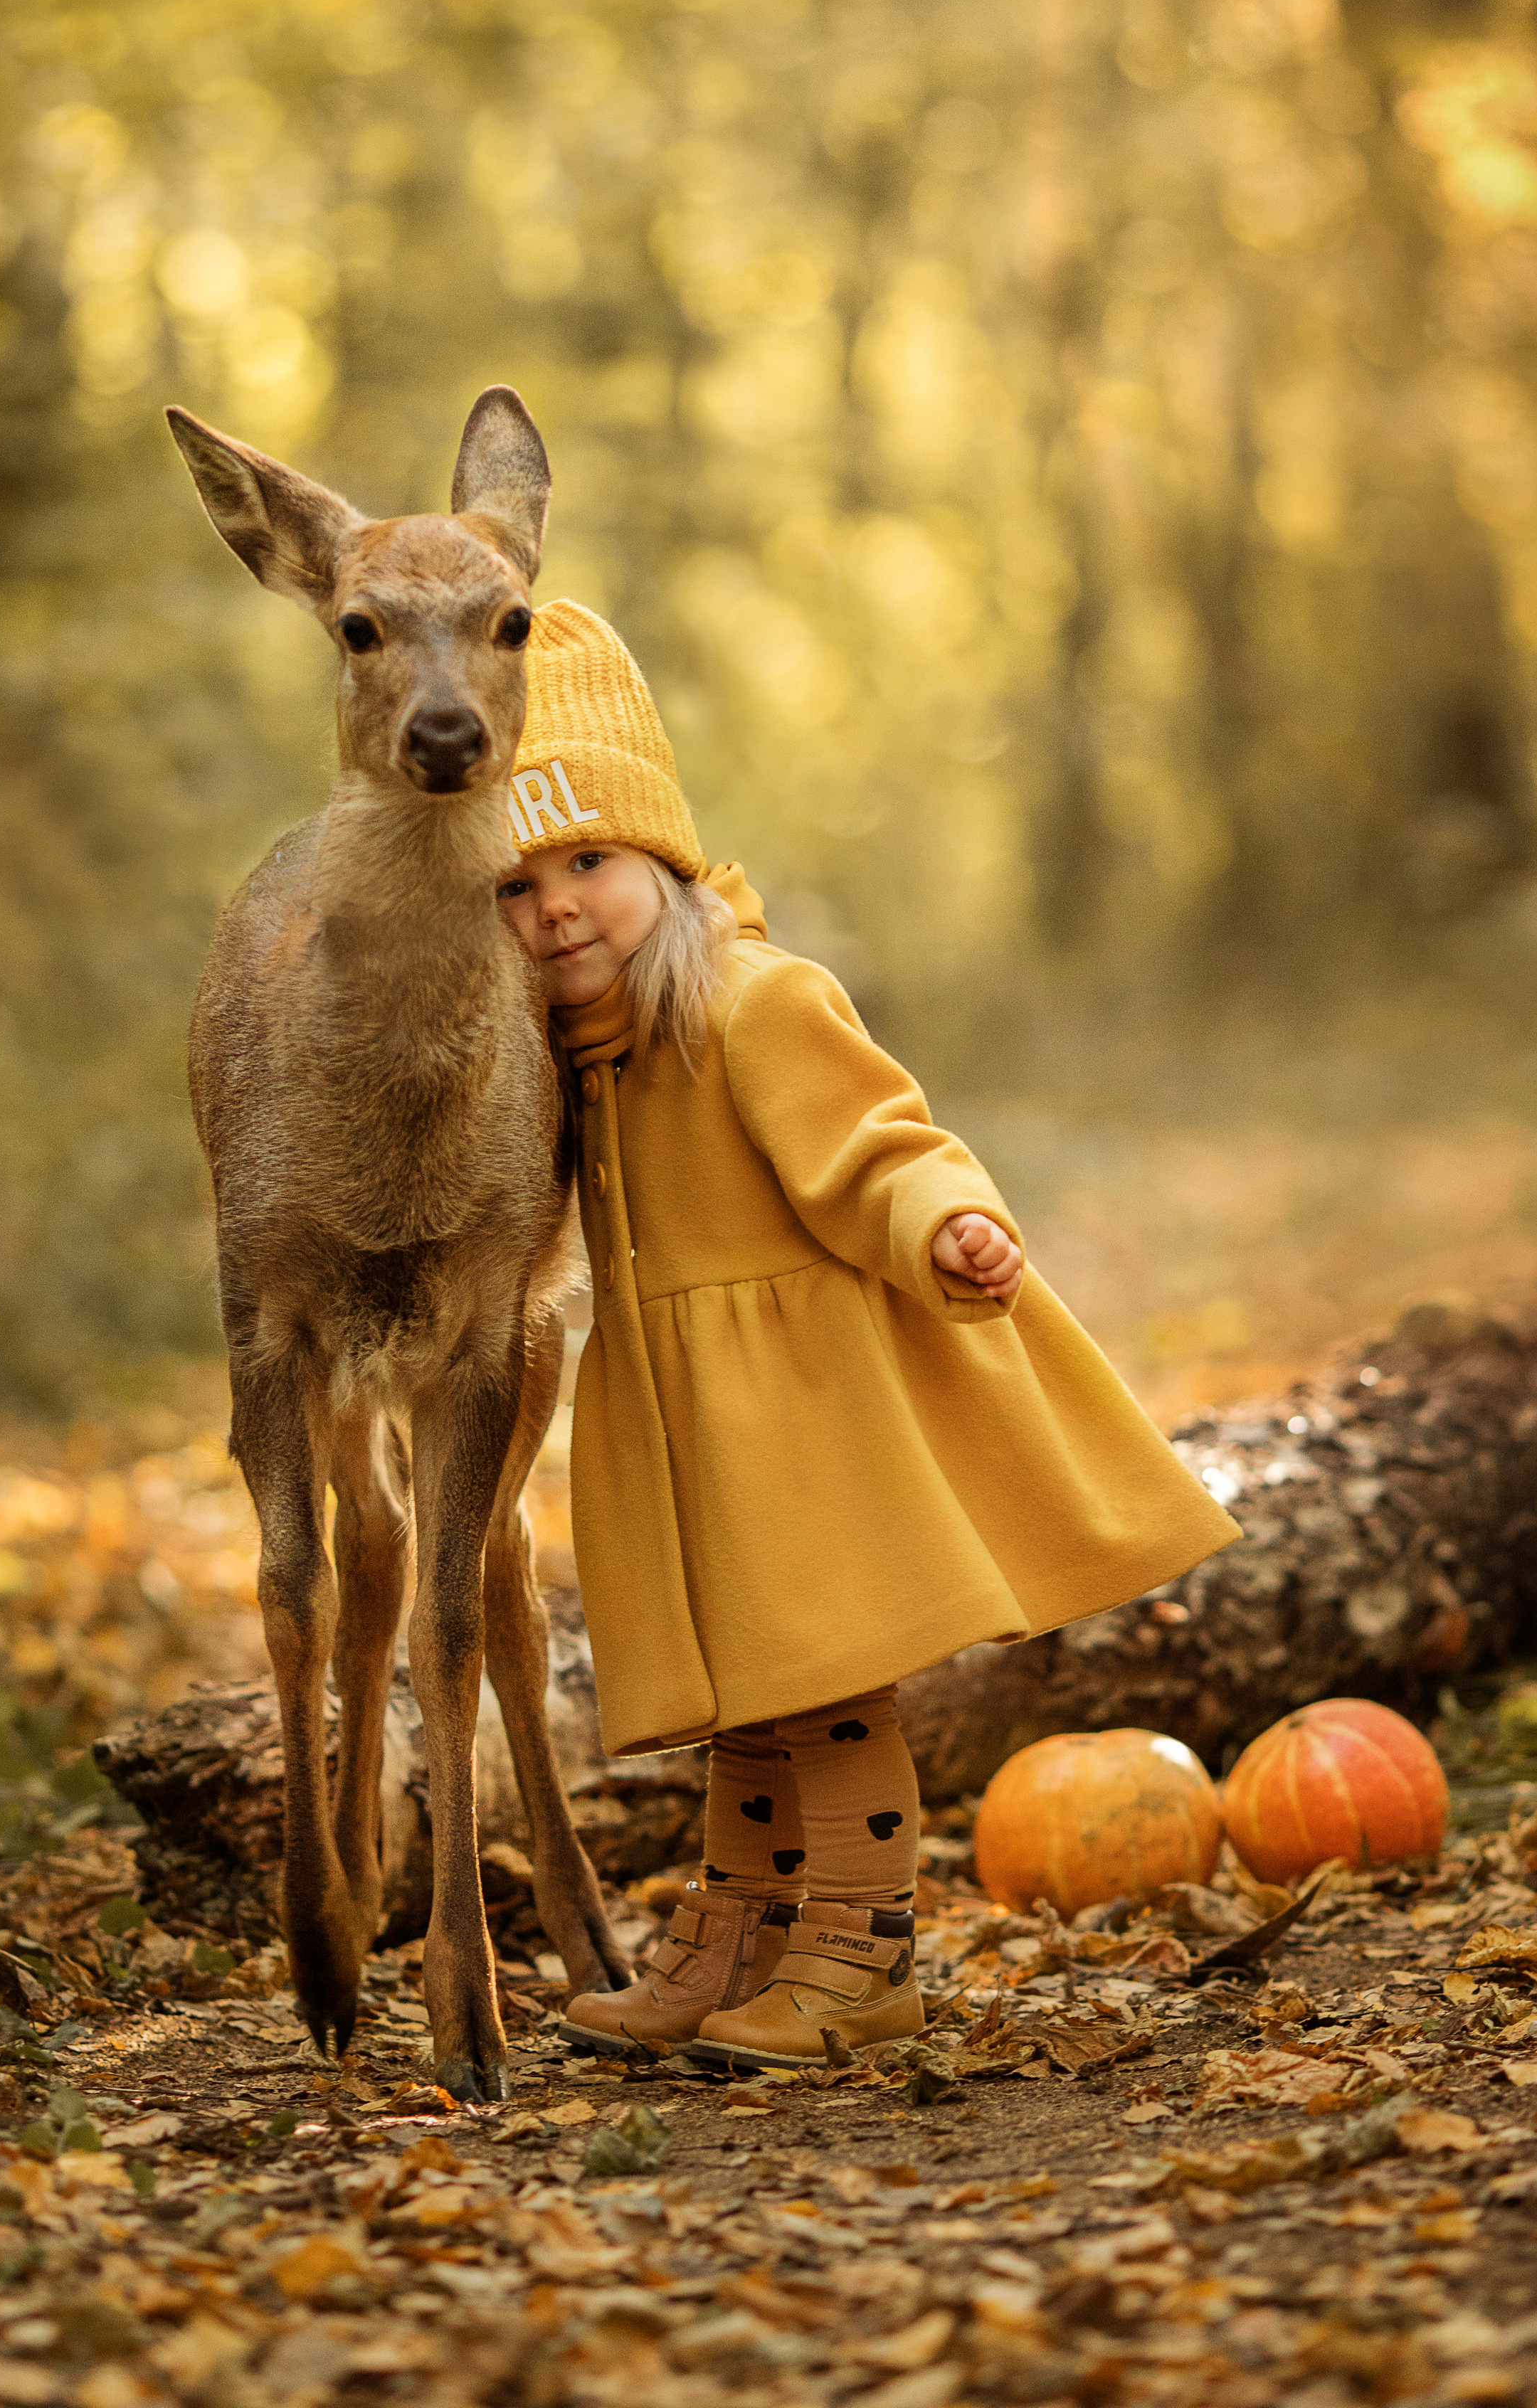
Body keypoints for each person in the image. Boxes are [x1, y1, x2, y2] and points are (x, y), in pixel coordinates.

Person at [495, 602, 1241, 2069]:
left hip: (800, 1415)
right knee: (747, 1710)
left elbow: (888, 1145)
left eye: (587, 861)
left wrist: (941, 1225)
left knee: (825, 1694)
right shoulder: (576, 1062)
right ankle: (730, 1942)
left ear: (662, 859)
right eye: (515, 887)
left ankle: (859, 1950)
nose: (558, 906)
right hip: (682, 1417)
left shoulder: (750, 1002)